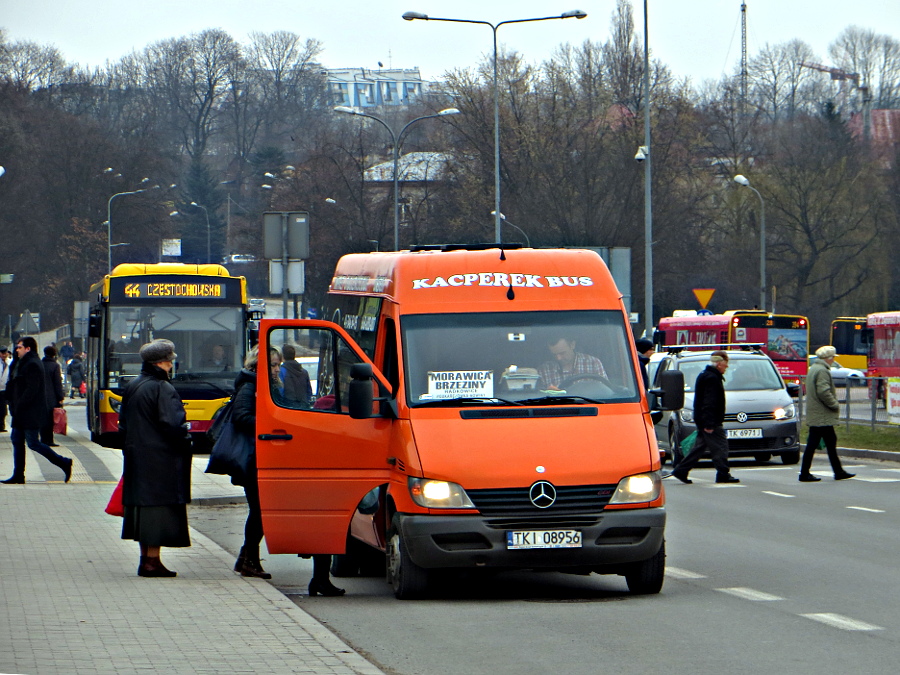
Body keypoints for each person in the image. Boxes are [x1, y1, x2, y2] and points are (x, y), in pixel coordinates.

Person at [265, 347, 345, 596]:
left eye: (278, 364)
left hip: (298, 452)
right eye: (273, 365)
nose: (277, 369)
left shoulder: (279, 385)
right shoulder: (265, 389)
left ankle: (320, 579)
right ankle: (319, 579)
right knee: (322, 521)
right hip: (290, 454)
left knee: (324, 522)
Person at [119, 339, 192, 577]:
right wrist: (185, 438)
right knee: (157, 512)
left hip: (137, 457)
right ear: (162, 362)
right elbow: (172, 424)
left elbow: (123, 425)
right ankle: (152, 561)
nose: (171, 365)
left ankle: (146, 560)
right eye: (170, 361)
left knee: (143, 511)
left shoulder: (133, 385)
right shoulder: (162, 388)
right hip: (160, 460)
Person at [2, 337, 73, 484]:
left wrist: (19, 404)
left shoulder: (33, 364)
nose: (17, 349)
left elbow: (32, 389)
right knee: (16, 440)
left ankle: (64, 462)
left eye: (20, 347)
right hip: (20, 411)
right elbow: (13, 384)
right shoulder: (20, 363)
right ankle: (18, 475)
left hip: (29, 412)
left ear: (28, 348)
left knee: (33, 442)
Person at [671, 350, 740, 485]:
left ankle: (681, 470)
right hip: (711, 421)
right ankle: (723, 474)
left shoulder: (706, 375)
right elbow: (709, 402)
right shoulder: (712, 378)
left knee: (699, 448)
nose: (726, 367)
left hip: (704, 419)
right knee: (720, 447)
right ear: (719, 363)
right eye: (725, 364)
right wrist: (709, 423)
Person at [799, 345, 855, 482]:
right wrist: (834, 404)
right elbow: (823, 391)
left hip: (817, 413)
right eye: (833, 358)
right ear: (829, 358)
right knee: (821, 443)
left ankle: (837, 471)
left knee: (825, 442)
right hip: (822, 414)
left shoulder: (814, 369)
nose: (834, 360)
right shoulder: (822, 371)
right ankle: (807, 473)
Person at [538, 336, 607, 390]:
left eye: (562, 353)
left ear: (572, 345)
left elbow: (605, 391)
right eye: (554, 354)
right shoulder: (544, 370)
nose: (558, 358)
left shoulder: (593, 363)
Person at [40, 345, 65, 446]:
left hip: (40, 396)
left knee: (42, 418)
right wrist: (60, 397)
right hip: (52, 397)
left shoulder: (40, 364)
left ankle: (42, 439)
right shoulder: (55, 366)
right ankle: (49, 440)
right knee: (51, 419)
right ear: (54, 354)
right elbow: (57, 383)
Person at [280, 344, 312, 408]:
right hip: (304, 407)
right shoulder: (304, 372)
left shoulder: (281, 371)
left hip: (288, 407)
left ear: (282, 356)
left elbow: (281, 391)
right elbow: (309, 391)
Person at [0, 346, 10, 432]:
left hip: (4, 389)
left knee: (3, 408)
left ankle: (1, 425)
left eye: (5, 353)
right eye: (2, 353)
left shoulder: (9, 362)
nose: (3, 355)